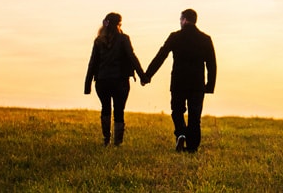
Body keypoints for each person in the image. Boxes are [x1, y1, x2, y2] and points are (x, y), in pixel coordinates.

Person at [143, 8, 216, 153]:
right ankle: (192, 147)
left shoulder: (175, 37)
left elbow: (161, 56)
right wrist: (210, 86)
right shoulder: (205, 39)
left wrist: (147, 75)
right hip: (197, 84)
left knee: (177, 111)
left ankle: (181, 133)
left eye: (180, 19)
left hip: (178, 82)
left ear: (184, 20)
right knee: (195, 115)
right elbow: (211, 64)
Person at [84, 12, 147, 145]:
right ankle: (117, 142)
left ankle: (106, 139)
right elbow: (132, 57)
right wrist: (143, 76)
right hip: (120, 82)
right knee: (119, 110)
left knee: (105, 108)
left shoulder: (98, 41)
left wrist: (87, 85)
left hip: (102, 82)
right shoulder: (124, 39)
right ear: (119, 24)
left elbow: (92, 63)